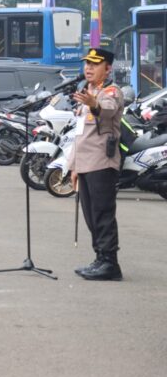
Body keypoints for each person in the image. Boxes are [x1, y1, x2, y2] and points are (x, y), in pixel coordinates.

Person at [69, 48, 125, 281]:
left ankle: (110, 264)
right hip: (85, 163)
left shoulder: (110, 92)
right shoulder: (87, 92)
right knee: (91, 215)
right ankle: (100, 258)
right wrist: (73, 166)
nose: (89, 68)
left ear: (108, 68)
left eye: (95, 64)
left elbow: (108, 111)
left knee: (103, 214)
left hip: (102, 163)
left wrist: (94, 104)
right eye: (87, 64)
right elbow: (79, 134)